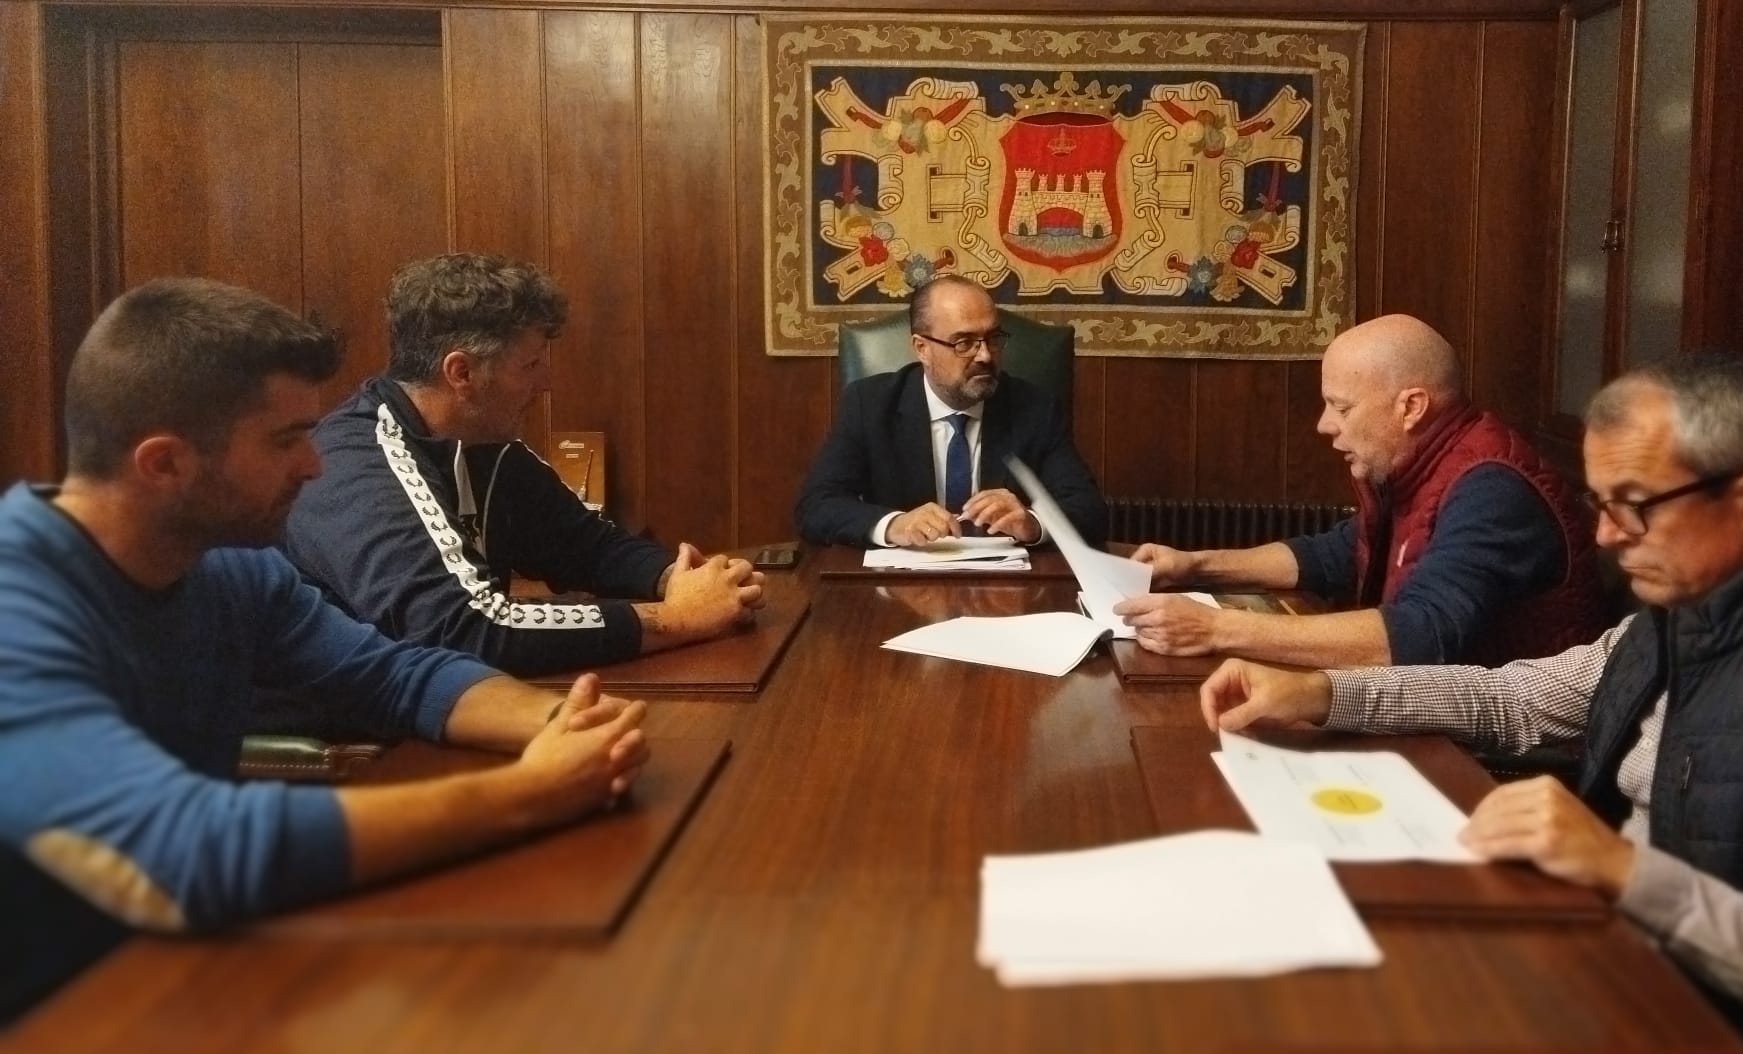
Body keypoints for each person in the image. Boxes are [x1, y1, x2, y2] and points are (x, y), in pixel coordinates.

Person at [1202, 352, 1743, 1054]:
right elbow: (1515, 697)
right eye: (1600, 502)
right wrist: (1325, 693)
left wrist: (1628, 875)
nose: (1608, 538)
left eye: (1635, 506)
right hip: (1623, 976)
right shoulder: (1680, 614)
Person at [0, 279, 654, 1023]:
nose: (314, 466)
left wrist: (561, 726)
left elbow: (396, 674)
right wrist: (532, 794)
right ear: (164, 464)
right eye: (285, 441)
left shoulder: (226, 564)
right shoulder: (16, 603)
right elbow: (186, 850)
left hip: (179, 988)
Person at [283, 254, 762, 686]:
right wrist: (674, 618)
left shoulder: (484, 442)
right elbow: (463, 629)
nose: (546, 383)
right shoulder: (356, 465)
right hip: (348, 736)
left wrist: (678, 578)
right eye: (531, 365)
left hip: (445, 703)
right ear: (462, 373)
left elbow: (584, 545)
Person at [1116, 313, 1603, 667]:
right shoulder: (1423, 462)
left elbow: (1422, 635)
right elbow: (1338, 553)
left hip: (1492, 760)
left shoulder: (1493, 489)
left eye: (1342, 408)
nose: (1325, 425)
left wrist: (1215, 628)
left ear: (1410, 407)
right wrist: (1195, 565)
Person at [793, 275, 1108, 548]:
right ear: (922, 348)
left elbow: (1089, 509)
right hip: (901, 590)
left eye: (993, 338)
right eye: (964, 342)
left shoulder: (1035, 408)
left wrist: (1033, 522)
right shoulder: (870, 404)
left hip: (1005, 589)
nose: (985, 355)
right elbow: (816, 506)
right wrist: (893, 525)